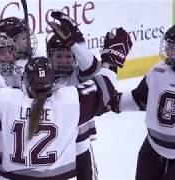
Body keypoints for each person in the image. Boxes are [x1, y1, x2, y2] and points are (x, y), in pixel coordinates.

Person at [0, 56, 120, 179]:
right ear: (53, 81)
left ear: (26, 81)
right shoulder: (70, 101)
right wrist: (111, 59)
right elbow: (106, 86)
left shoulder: (6, 101)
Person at [46, 11, 133, 180]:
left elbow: (92, 67)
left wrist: (75, 43)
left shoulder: (79, 75)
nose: (64, 60)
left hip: (80, 145)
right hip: (52, 147)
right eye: (58, 56)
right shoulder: (39, 79)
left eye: (68, 56)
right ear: (49, 56)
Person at [111, 25, 175, 180]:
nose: (169, 52)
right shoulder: (157, 72)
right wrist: (114, 102)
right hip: (152, 148)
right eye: (170, 47)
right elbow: (140, 98)